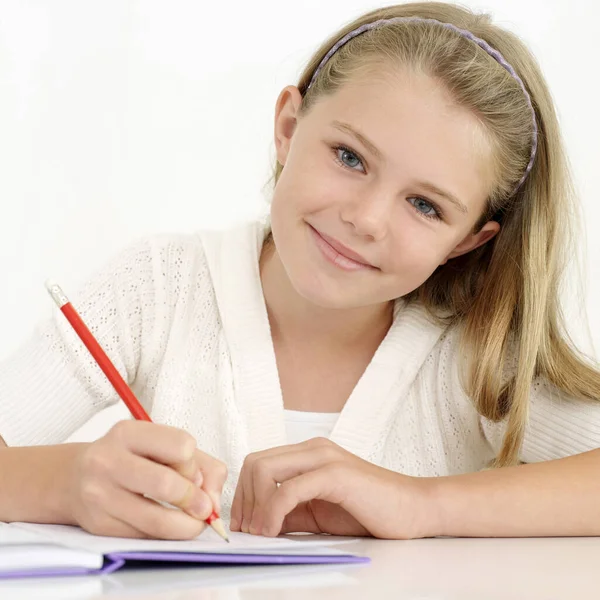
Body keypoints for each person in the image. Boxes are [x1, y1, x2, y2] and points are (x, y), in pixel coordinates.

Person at [1, 1, 600, 542]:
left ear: (468, 241)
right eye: (350, 157)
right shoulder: (159, 285)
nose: (365, 219)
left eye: (425, 205)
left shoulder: (477, 352)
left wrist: (423, 505)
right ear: (288, 127)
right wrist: (66, 482)